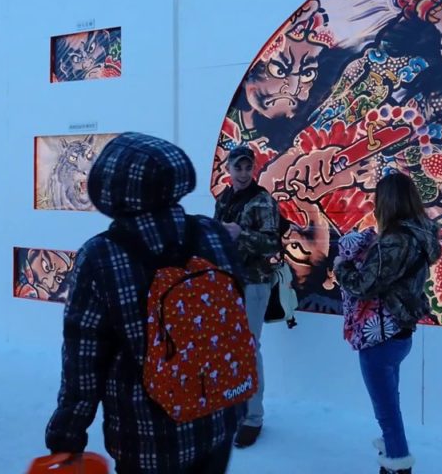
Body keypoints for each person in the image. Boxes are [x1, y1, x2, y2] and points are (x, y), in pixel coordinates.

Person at [45, 132, 245, 474]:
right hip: (218, 419)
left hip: (150, 437)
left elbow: (83, 361)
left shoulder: (102, 256)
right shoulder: (212, 234)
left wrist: (66, 437)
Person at [332, 172, 441, 474]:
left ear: (388, 202)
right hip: (401, 334)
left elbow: (364, 285)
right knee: (390, 403)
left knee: (386, 410)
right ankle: (393, 450)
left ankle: (397, 463)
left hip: (380, 337)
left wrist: (341, 268)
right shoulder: (421, 237)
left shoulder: (395, 242)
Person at [213, 144, 281, 448]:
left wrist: (242, 234)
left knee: (249, 349)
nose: (242, 172)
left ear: (253, 168)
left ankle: (253, 417)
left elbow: (271, 244)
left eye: (247, 167)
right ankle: (235, 408)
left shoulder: (262, 200)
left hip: (253, 284)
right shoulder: (223, 198)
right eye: (237, 167)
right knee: (230, 349)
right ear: (228, 168)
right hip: (227, 283)